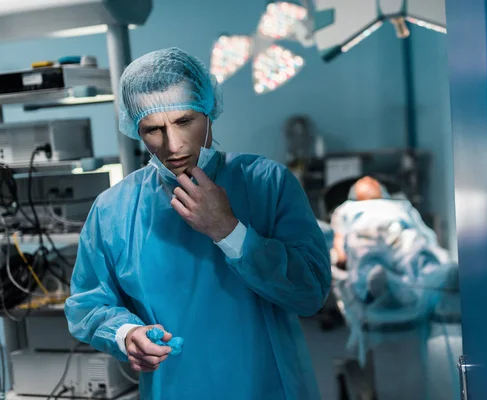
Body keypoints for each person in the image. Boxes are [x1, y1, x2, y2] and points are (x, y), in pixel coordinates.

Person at [64, 47, 331, 399]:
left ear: (209, 112)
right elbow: (88, 303)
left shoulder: (267, 183)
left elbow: (310, 292)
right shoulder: (114, 210)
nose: (173, 145)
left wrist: (229, 230)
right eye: (153, 129)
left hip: (266, 386)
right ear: (135, 129)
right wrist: (126, 334)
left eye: (184, 121)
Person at [330, 176, 389, 267]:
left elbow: (340, 246)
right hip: (401, 270)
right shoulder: (401, 208)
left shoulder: (345, 209)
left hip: (360, 269)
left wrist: (342, 262)